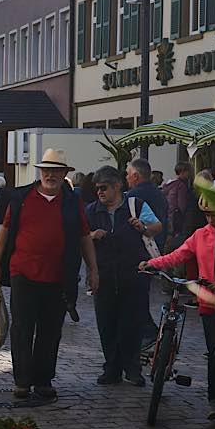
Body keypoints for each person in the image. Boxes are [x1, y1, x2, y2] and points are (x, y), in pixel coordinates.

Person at [0, 148, 99, 400]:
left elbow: (84, 237)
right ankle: (22, 380)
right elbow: (5, 233)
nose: (50, 174)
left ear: (64, 174)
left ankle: (43, 380)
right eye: (46, 170)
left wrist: (93, 269)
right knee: (22, 329)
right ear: (40, 172)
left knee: (50, 331)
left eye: (56, 170)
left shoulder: (73, 202)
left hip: (59, 277)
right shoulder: (21, 197)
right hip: (23, 273)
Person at [140, 196, 215, 420]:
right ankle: (214, 400)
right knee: (214, 352)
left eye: (214, 214)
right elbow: (178, 255)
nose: (210, 219)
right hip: (209, 303)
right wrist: (152, 263)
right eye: (207, 215)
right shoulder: (201, 235)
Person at [87, 166, 162, 388]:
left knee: (132, 325)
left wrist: (143, 226)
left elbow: (156, 226)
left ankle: (132, 368)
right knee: (106, 325)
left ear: (117, 186)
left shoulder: (135, 206)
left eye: (104, 188)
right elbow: (79, 238)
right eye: (97, 189)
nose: (100, 193)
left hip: (134, 275)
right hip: (104, 276)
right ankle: (111, 368)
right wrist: (92, 235)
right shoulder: (92, 211)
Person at [126, 158, 169, 347]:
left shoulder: (134, 196)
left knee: (137, 294)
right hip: (156, 247)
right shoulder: (159, 193)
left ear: (135, 176)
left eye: (128, 174)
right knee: (142, 291)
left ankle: (148, 330)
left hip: (141, 248)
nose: (127, 178)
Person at [163, 162, 193, 241]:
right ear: (183, 171)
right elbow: (181, 204)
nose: (190, 174)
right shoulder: (181, 185)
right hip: (176, 217)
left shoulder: (169, 184)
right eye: (189, 171)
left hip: (168, 215)